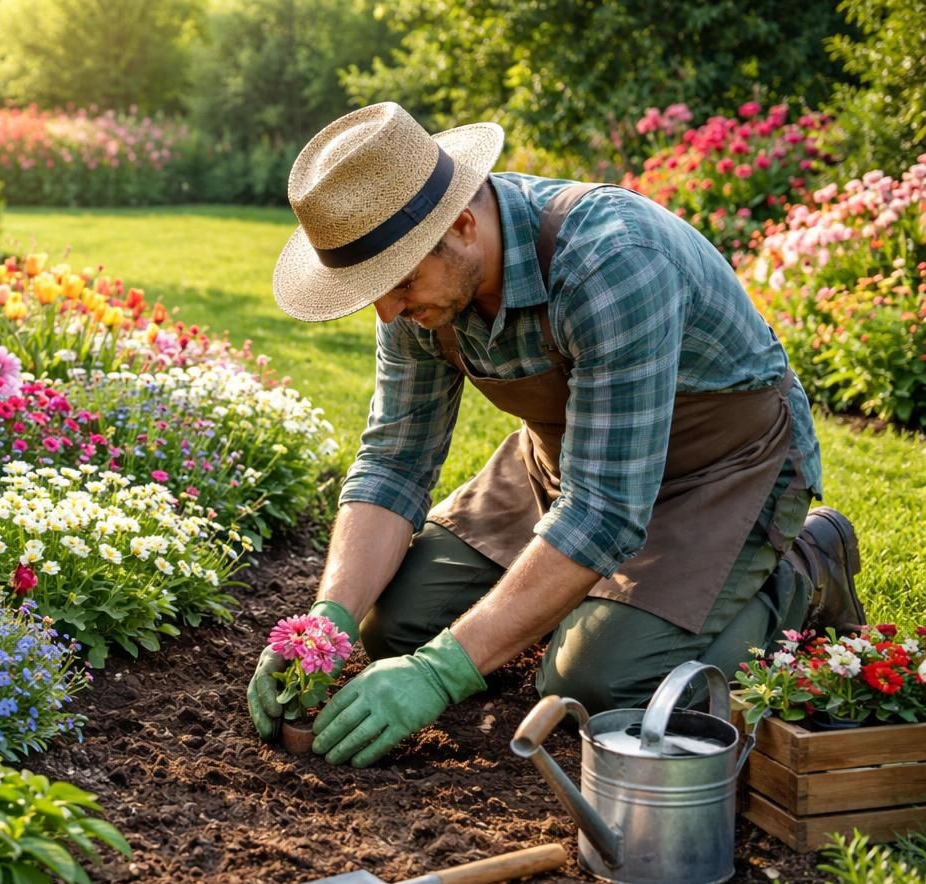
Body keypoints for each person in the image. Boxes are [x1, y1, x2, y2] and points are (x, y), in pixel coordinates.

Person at [247, 102, 865, 768]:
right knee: (393, 626)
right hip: (567, 462)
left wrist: (442, 672)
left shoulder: (611, 260)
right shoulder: (416, 289)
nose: (389, 311)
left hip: (718, 474)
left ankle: (807, 568)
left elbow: (604, 512)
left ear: (462, 225)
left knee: (596, 684)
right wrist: (326, 622)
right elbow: (394, 462)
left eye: (399, 284)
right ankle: (586, 604)